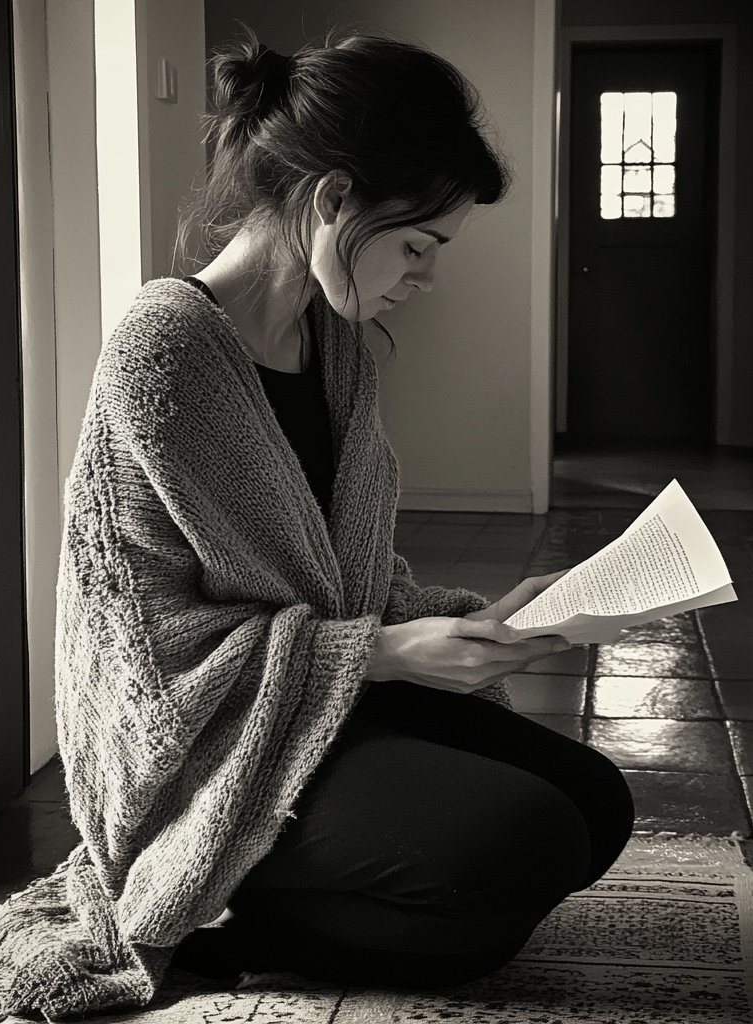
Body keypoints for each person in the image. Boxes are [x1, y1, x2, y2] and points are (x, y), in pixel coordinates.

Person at [164, 26, 636, 990]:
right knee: (517, 847)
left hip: (325, 699)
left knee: (593, 800)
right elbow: (144, 651)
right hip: (211, 750)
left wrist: (480, 623)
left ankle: (324, 893)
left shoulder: (332, 346)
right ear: (334, 198)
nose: (426, 275)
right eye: (418, 243)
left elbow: (355, 578)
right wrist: (381, 654)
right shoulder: (167, 351)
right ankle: (210, 925)